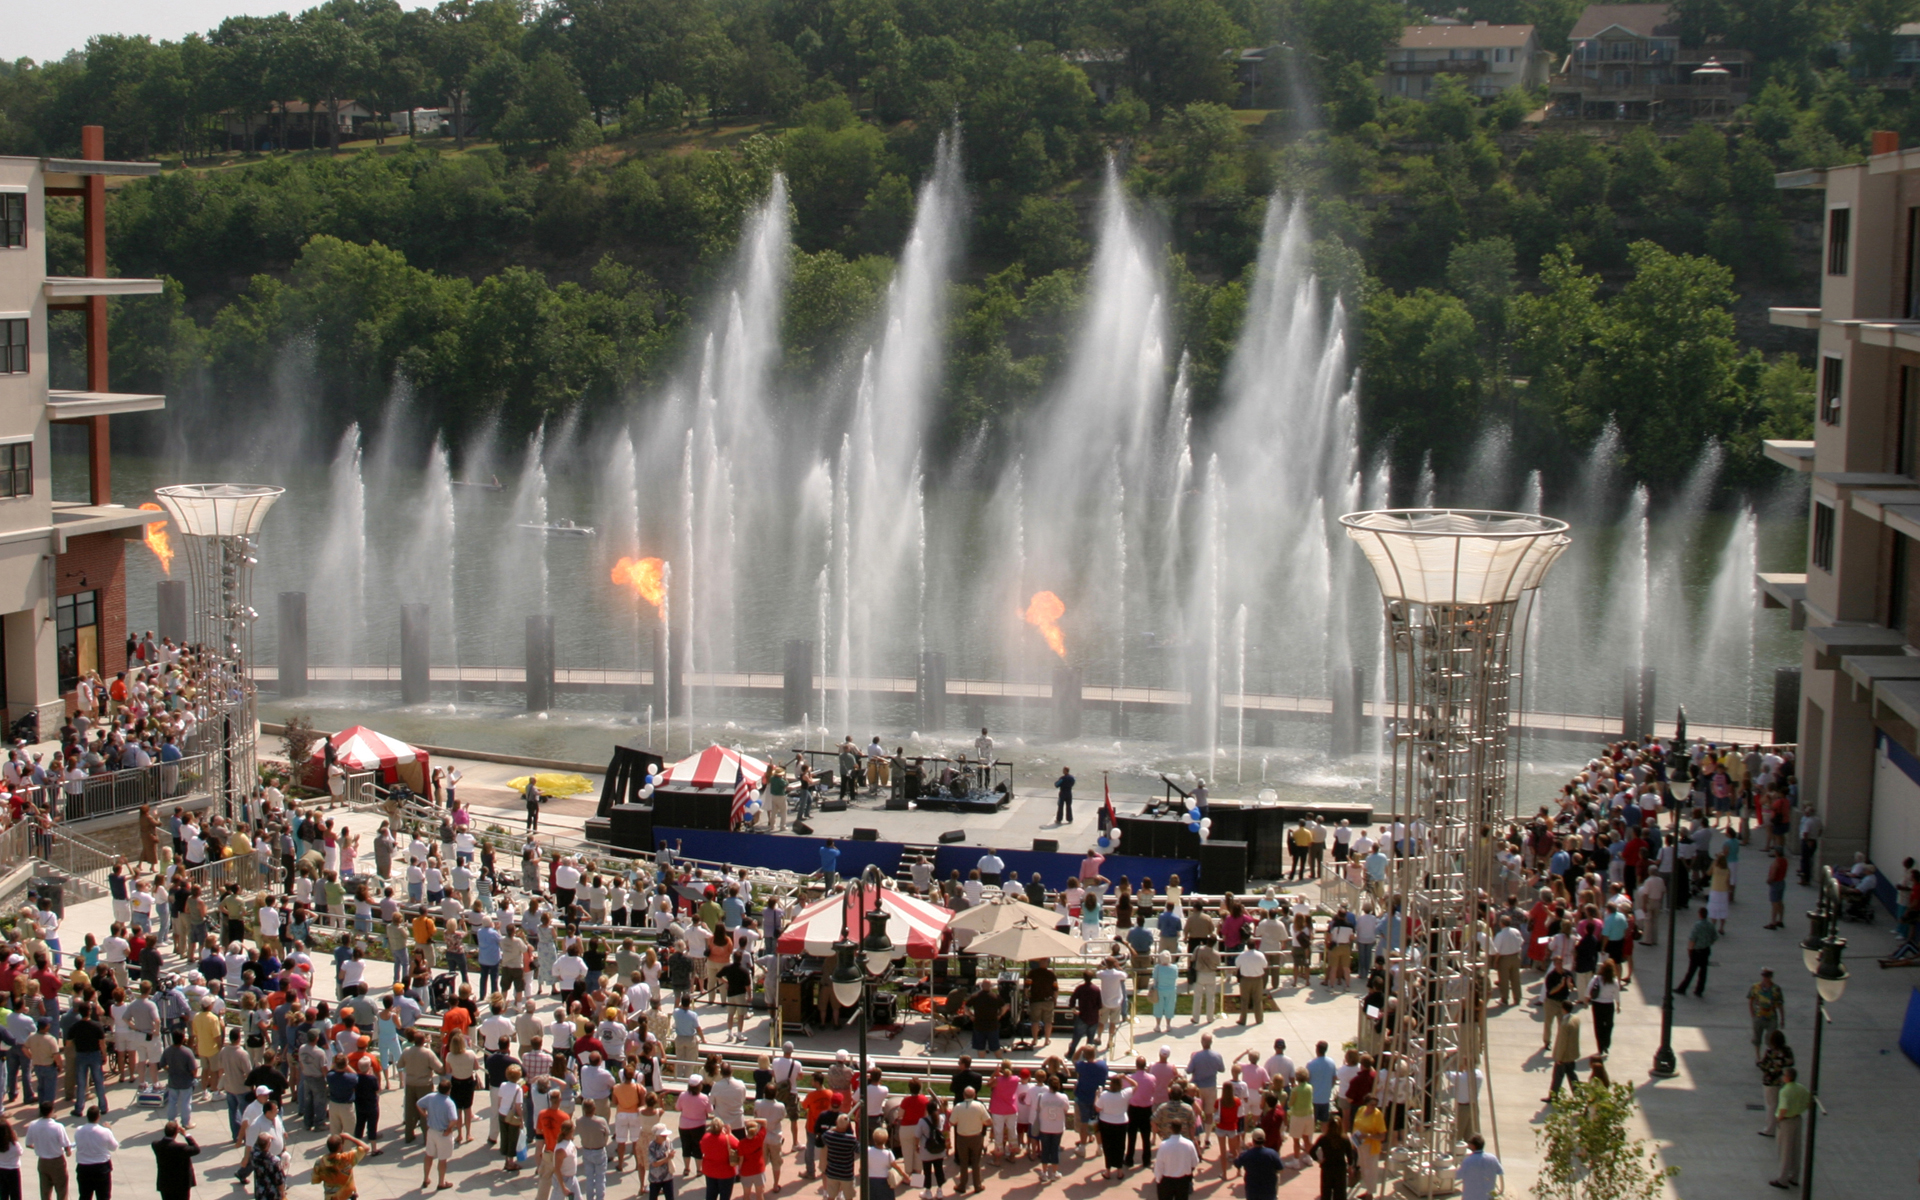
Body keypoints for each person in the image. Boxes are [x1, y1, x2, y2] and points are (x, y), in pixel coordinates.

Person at [1769, 1067, 1809, 1189]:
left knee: (1785, 1150)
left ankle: (1782, 1179)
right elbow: (1808, 1102)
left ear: (1787, 1077)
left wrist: (1779, 1118)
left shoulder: (1785, 1091)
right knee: (1796, 1148)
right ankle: (1795, 1177)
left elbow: (1783, 1108)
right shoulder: (1801, 1088)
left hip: (1787, 1121)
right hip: (1797, 1118)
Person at [418, 1078, 458, 1190]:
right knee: (442, 1159)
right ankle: (441, 1182)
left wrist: (425, 1115)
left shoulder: (431, 1097)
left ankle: (426, 1179)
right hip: (442, 1134)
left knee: (429, 1155)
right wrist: (449, 1129)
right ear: (449, 1090)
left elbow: (419, 1104)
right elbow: (454, 1119)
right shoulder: (449, 1103)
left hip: (431, 1131)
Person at [26, 1102, 71, 1200]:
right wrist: (68, 1152)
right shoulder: (58, 1126)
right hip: (57, 1161)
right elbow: (66, 1144)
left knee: (45, 1192)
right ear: (52, 1111)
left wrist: (38, 1147)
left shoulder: (33, 1125)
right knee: (61, 1190)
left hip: (42, 1162)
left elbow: (28, 1144)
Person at [1309, 1113, 1356, 1200]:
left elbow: (1312, 1151)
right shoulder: (1345, 1139)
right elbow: (1350, 1156)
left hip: (1327, 1167)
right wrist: (1350, 1167)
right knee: (1340, 1194)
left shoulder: (1323, 1138)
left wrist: (1319, 1160)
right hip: (1340, 1169)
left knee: (1326, 1193)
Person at [150, 1122, 200, 1200]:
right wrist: (186, 1135)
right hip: (181, 1184)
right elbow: (196, 1149)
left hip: (165, 1183)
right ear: (176, 1132)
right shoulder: (181, 1148)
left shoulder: (156, 1145)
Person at [1151, 1120, 1199, 1200]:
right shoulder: (1189, 1144)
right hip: (1183, 1181)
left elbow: (1159, 1164)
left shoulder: (1164, 1145)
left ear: (1171, 1128)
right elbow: (1195, 1162)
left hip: (1166, 1181)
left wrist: (1158, 1180)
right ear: (1181, 1129)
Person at [1677, 907, 1717, 997]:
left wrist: (1689, 949)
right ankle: (1699, 990)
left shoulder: (1697, 925)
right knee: (1703, 971)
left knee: (1691, 971)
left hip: (1697, 951)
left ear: (1700, 914)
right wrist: (1708, 943)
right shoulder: (1710, 925)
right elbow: (1714, 938)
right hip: (1706, 950)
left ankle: (1682, 988)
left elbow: (1692, 939)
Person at [1747, 969, 1785, 1062]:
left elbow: (1780, 1005)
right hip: (1759, 1016)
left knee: (1771, 1039)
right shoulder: (1755, 987)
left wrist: (1782, 1018)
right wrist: (1752, 1014)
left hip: (1771, 1018)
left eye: (1767, 976)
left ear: (1771, 977)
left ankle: (1770, 1056)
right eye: (1764, 976)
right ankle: (1758, 1056)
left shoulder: (1776, 989)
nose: (1765, 978)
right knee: (1757, 1038)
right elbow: (1751, 1000)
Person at [1454, 1134, 1502, 1200]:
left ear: (1473, 1146)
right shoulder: (1492, 1158)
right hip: (1488, 1197)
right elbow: (1500, 1171)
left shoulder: (1468, 1161)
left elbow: (1457, 1176)